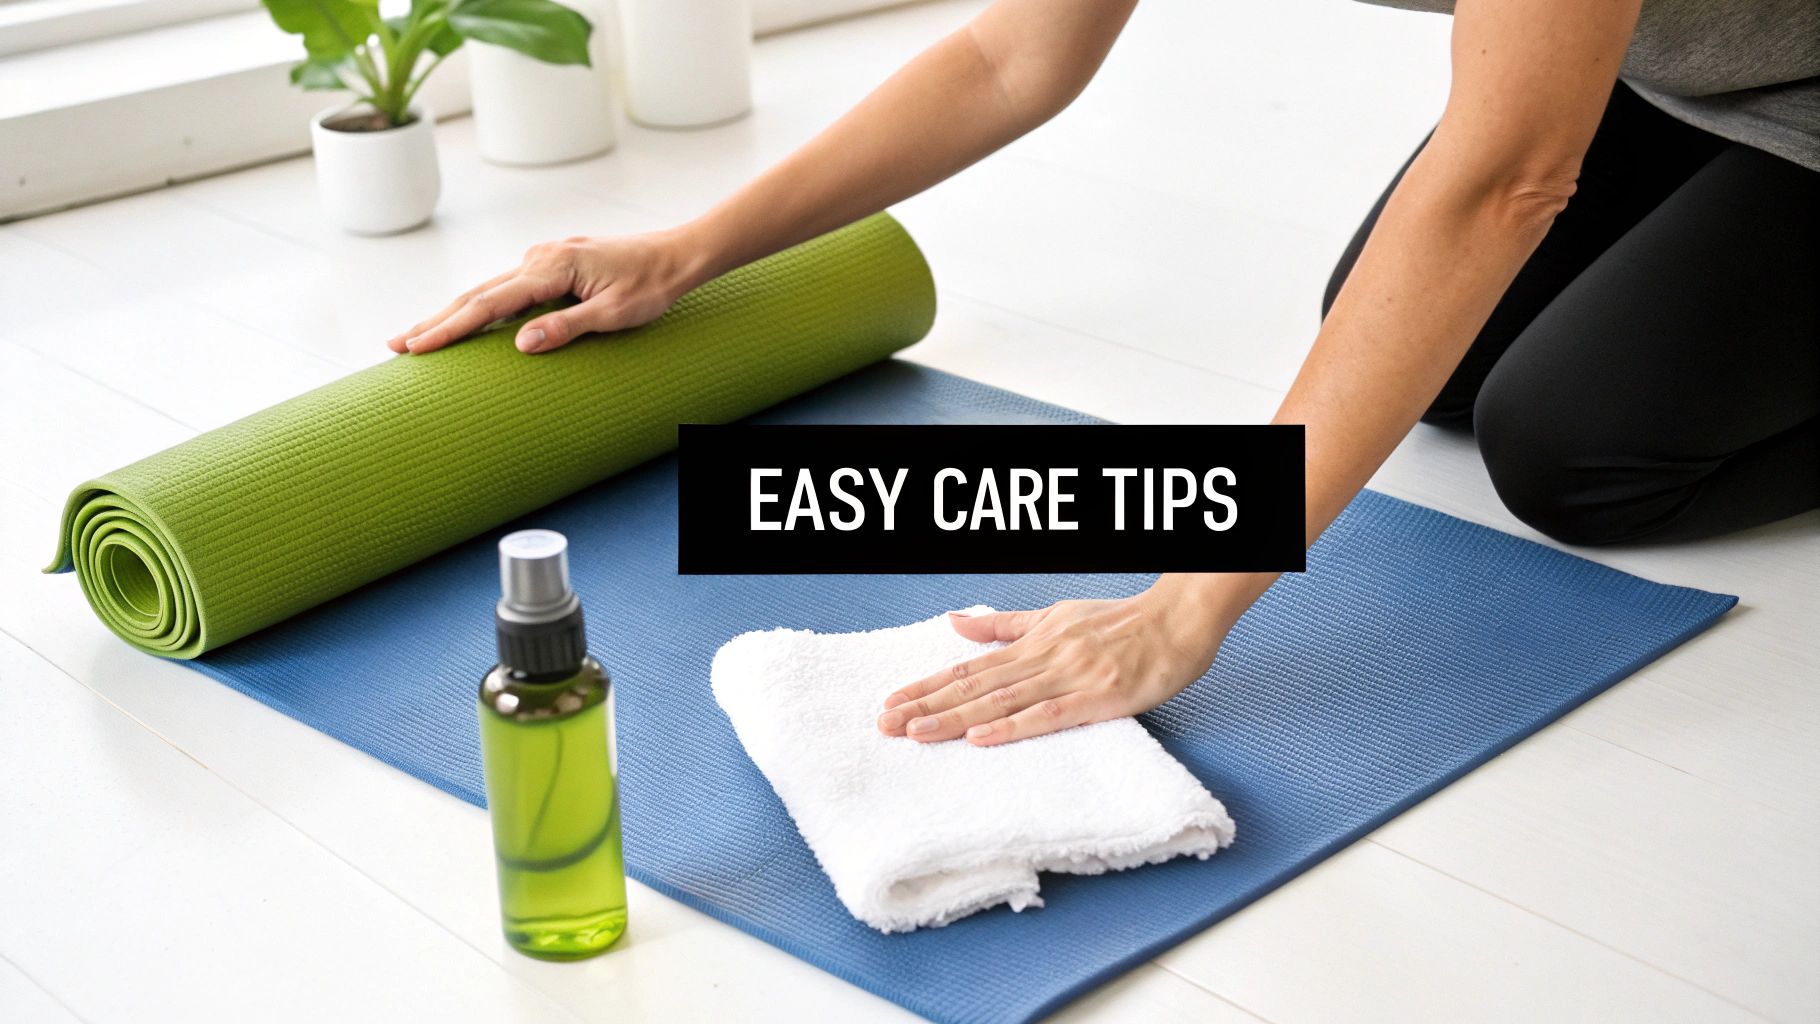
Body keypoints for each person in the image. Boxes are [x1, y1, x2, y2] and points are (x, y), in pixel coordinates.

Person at [391, 0, 1818, 749]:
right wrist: (689, 249)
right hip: (1674, 56)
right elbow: (1014, 58)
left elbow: (1510, 174)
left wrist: (1188, 602)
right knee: (1423, 362)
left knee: (1576, 450)